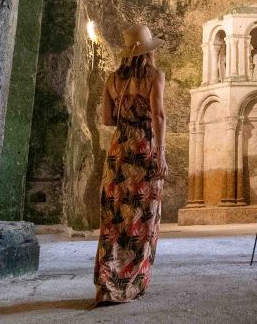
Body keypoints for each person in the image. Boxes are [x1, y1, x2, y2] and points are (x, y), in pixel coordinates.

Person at [94, 24, 168, 306]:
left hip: (119, 152)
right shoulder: (154, 76)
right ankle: (130, 284)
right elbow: (158, 116)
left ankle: (106, 282)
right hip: (144, 149)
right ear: (149, 51)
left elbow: (107, 119)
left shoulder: (112, 79)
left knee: (114, 219)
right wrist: (160, 153)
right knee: (142, 219)